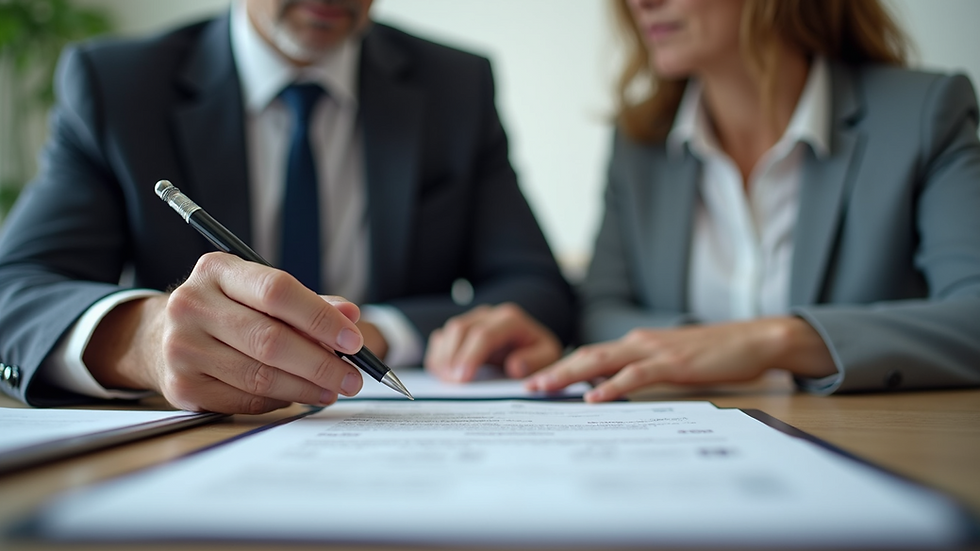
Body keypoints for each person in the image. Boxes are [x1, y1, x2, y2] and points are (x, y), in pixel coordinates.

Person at [0, 0, 575, 413]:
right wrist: (143, 340)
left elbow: (535, 285)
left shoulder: (456, 84)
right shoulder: (117, 85)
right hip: (204, 436)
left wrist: (380, 331)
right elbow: (14, 290)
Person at [520, 0, 980, 401]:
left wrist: (774, 340)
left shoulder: (925, 112)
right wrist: (691, 350)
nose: (643, 1)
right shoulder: (640, 142)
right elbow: (601, 311)